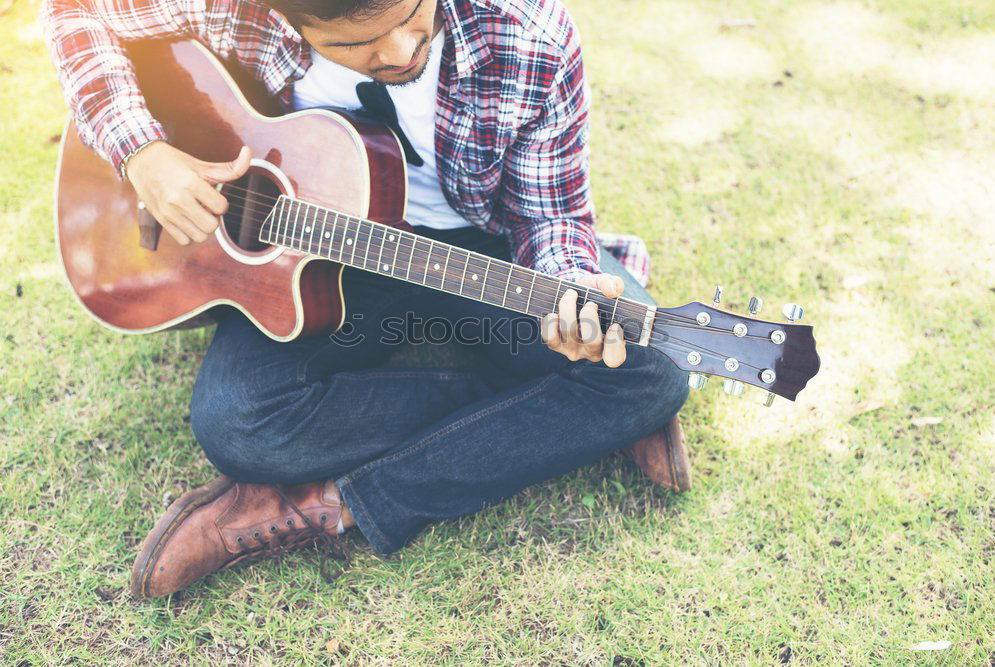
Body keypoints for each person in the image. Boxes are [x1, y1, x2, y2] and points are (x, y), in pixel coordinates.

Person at [41, 0, 690, 599]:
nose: (405, 48)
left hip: (479, 246)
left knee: (652, 370)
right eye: (360, 43)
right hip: (322, 262)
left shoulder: (528, 30)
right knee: (237, 422)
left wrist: (568, 279)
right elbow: (73, 12)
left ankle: (325, 502)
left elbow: (550, 214)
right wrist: (143, 152)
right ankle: (549, 414)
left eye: (412, 14)